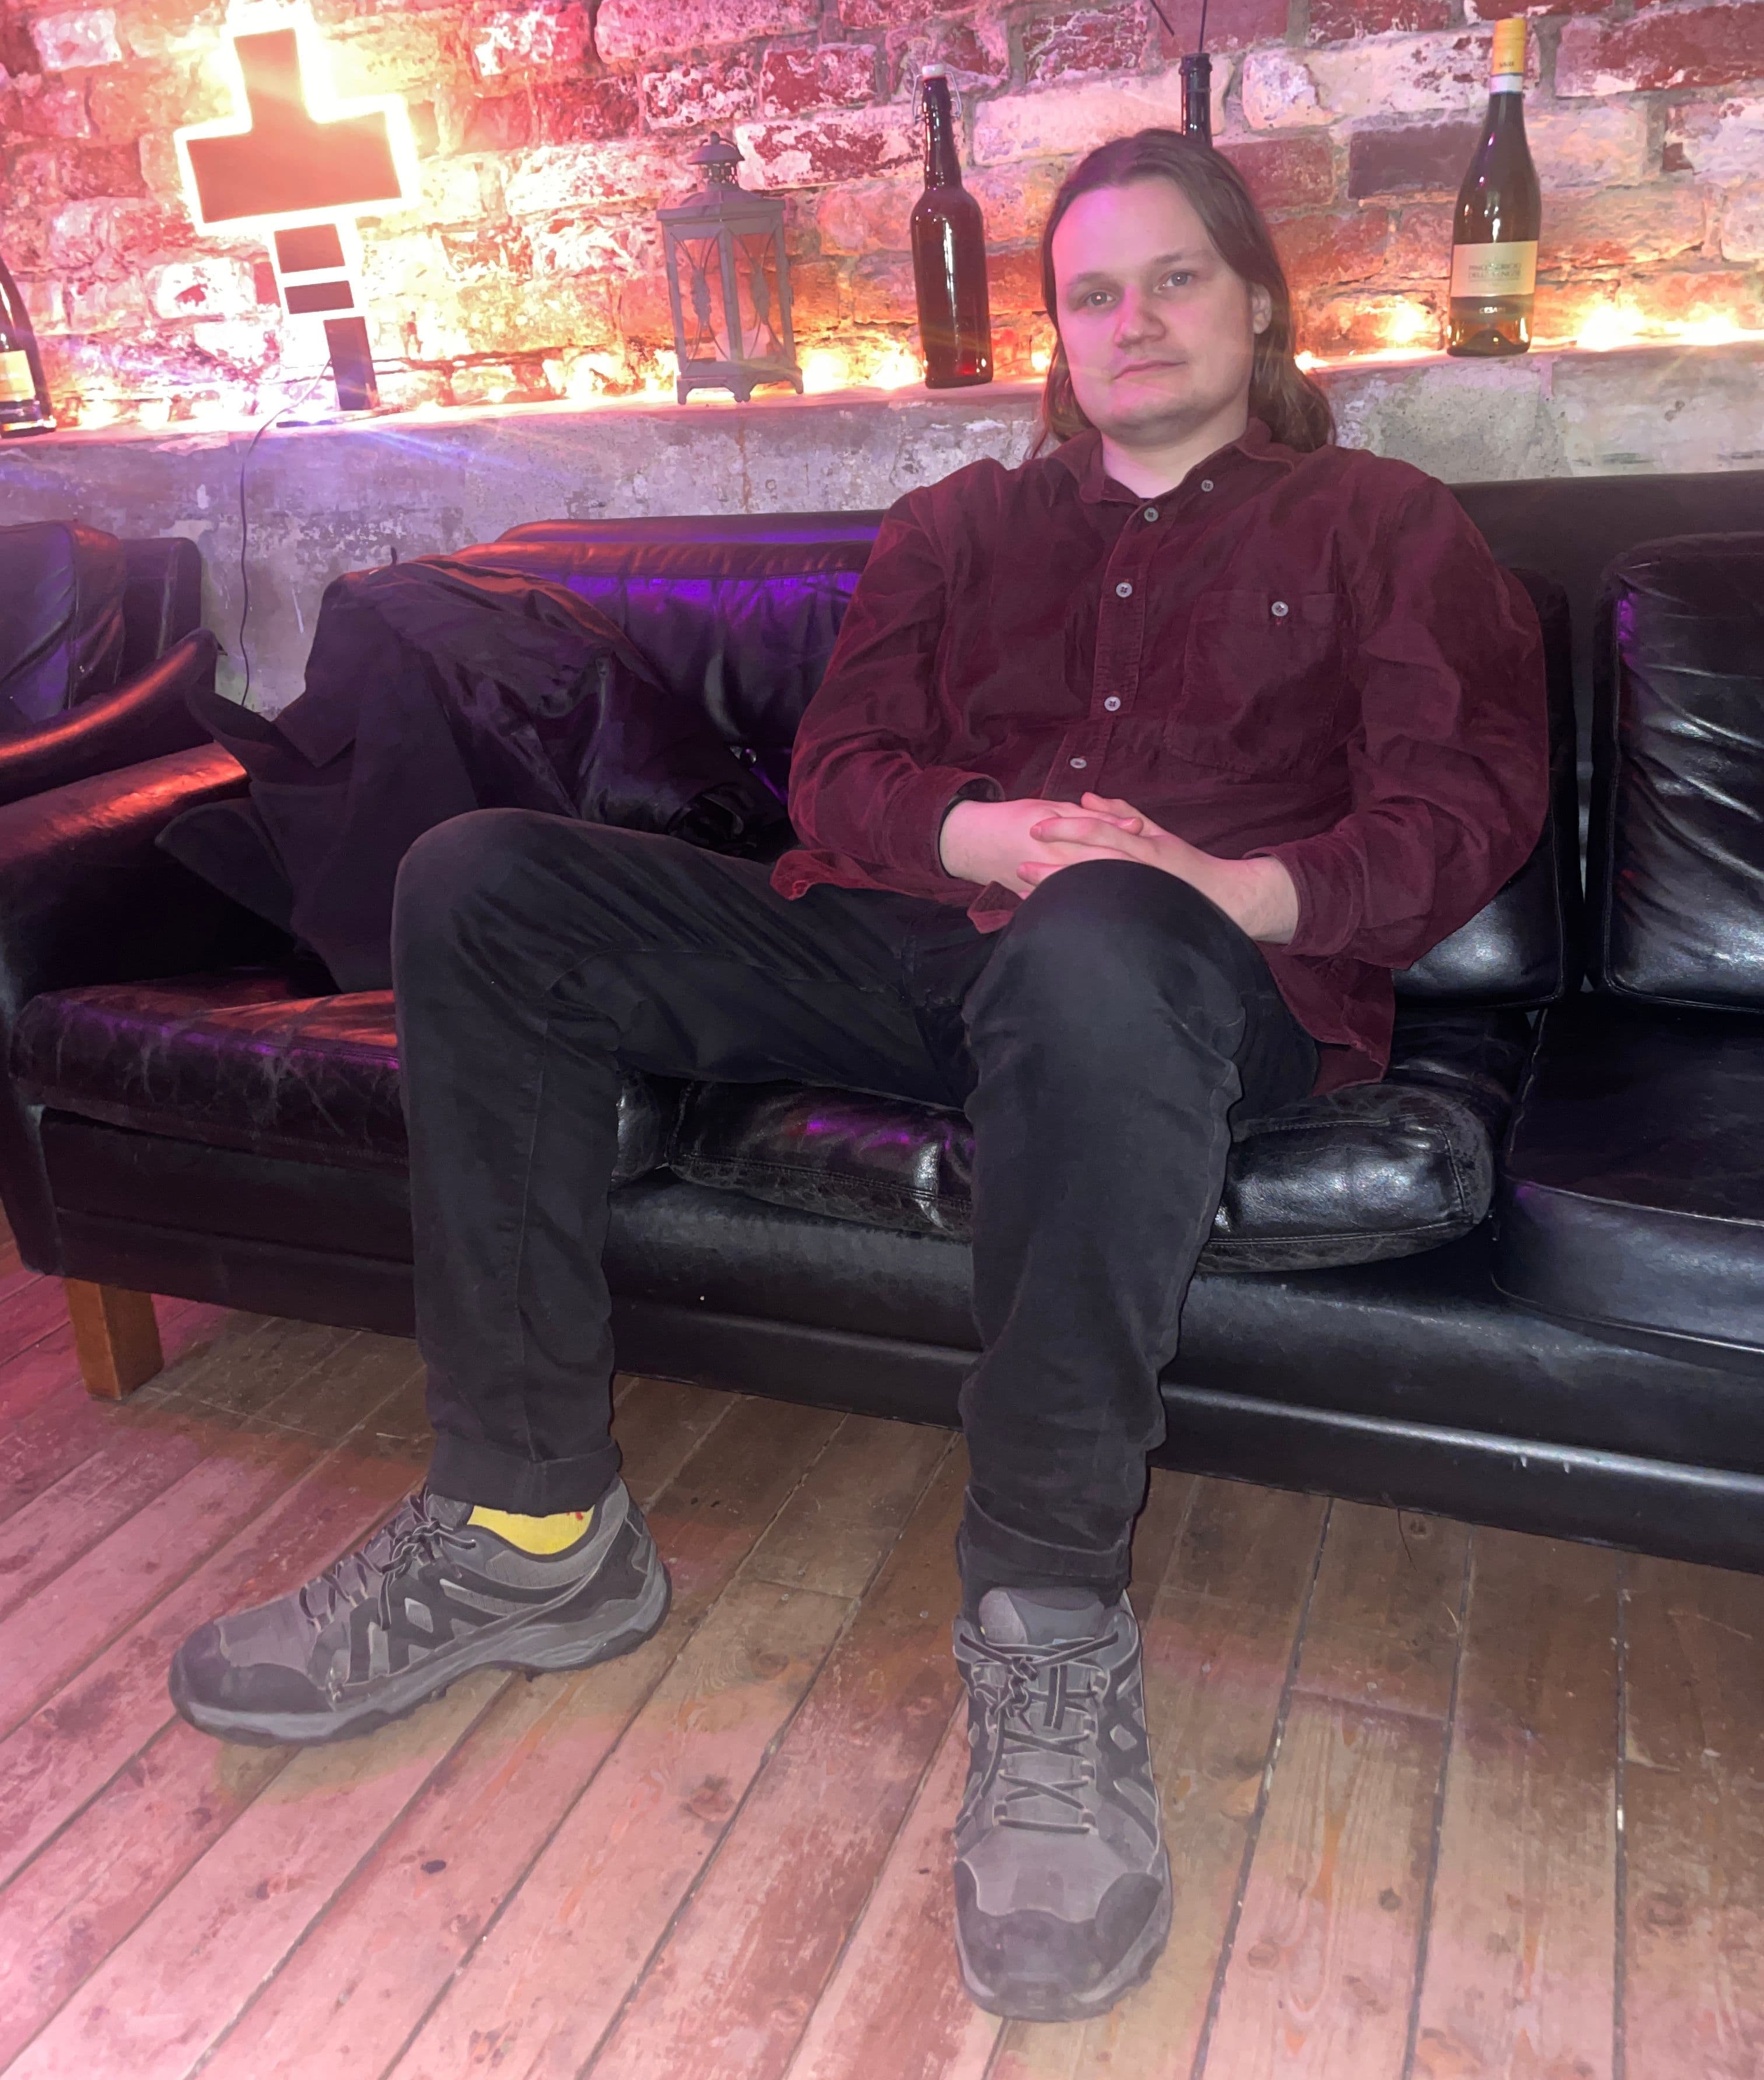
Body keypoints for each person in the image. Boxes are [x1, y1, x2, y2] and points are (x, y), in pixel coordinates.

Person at [167, 129, 1549, 2023]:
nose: (1133, 319)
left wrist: (1233, 888)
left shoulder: (1386, 526)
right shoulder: (958, 528)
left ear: (1257, 304)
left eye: (1175, 278)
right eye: (1093, 292)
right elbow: (840, 774)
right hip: (917, 950)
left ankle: (1046, 1613)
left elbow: (1465, 805)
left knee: (1105, 935)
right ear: (1058, 335)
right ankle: (526, 1531)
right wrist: (981, 833)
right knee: (479, 880)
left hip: (1193, 983)